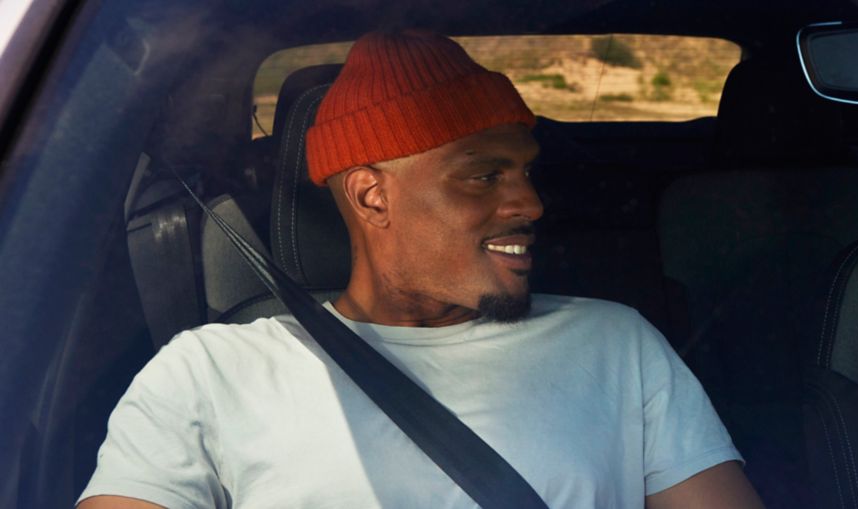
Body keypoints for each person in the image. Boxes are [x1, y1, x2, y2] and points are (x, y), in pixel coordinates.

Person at [79, 31, 762, 509]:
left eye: (525, 171)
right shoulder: (210, 370)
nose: (530, 201)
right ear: (373, 195)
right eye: (482, 175)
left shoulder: (618, 343)